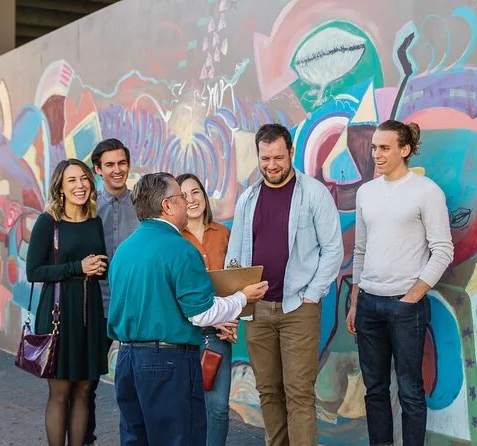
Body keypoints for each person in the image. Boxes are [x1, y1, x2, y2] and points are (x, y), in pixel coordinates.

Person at [107, 172, 269, 446]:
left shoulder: (124, 250)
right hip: (168, 362)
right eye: (181, 196)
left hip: (127, 360)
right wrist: (242, 297)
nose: (186, 201)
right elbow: (202, 313)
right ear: (167, 205)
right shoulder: (180, 250)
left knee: (136, 438)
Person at [225, 123, 344, 446]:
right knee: (268, 391)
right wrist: (236, 302)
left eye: (278, 157)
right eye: (265, 158)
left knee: (299, 393)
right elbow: (235, 255)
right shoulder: (248, 199)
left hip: (298, 309)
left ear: (291, 152)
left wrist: (312, 295)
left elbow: (333, 249)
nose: (272, 165)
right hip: (257, 310)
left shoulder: (314, 193)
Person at [346, 120, 454, 446]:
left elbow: (443, 250)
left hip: (405, 308)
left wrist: (413, 295)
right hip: (368, 304)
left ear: (404, 150)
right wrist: (355, 302)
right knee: (375, 390)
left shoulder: (426, 192)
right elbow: (360, 250)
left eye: (384, 148)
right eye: (374, 147)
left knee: (410, 391)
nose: (376, 154)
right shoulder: (366, 192)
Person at [26, 159, 109, 446]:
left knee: (85, 389)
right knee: (60, 392)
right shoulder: (48, 222)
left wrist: (100, 267)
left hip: (90, 313)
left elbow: (99, 265)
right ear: (60, 187)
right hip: (58, 314)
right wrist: (77, 267)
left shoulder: (95, 221)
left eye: (84, 179)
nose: (80, 185)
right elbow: (34, 271)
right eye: (72, 180)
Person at [84, 138, 139, 445]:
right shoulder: (88, 208)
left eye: (122, 163)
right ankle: (86, 439)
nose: (117, 170)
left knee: (137, 383)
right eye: (109, 165)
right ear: (98, 169)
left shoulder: (143, 204)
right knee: (88, 381)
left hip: (136, 306)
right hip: (99, 304)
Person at [177, 173, 235, 446]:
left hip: (218, 335)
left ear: (204, 195)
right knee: (188, 406)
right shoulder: (175, 240)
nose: (191, 199)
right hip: (185, 335)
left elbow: (236, 281)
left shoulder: (223, 233)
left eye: (196, 192)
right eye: (184, 195)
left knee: (219, 407)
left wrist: (233, 318)